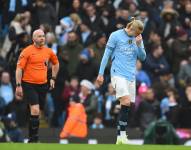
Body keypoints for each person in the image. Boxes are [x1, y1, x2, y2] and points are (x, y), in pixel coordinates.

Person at [96, 17, 146, 144]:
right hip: (117, 73)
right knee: (126, 100)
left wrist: (139, 45)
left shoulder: (138, 38)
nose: (137, 36)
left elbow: (143, 57)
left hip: (131, 75)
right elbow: (106, 54)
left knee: (126, 104)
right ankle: (121, 137)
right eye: (136, 33)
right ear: (130, 28)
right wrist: (100, 74)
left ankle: (121, 137)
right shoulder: (115, 35)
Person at [15, 29, 59, 143]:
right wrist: (18, 85)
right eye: (39, 36)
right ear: (33, 38)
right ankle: (33, 139)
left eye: (43, 36)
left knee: (38, 111)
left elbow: (56, 63)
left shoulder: (48, 51)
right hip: (29, 84)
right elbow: (19, 68)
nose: (42, 38)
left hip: (43, 85)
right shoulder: (27, 51)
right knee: (35, 110)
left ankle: (33, 137)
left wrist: (53, 78)